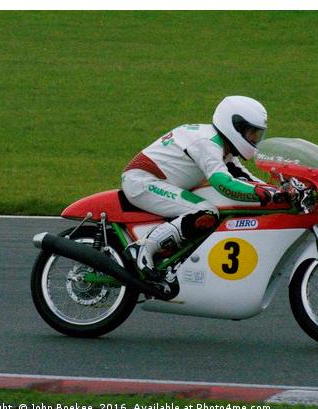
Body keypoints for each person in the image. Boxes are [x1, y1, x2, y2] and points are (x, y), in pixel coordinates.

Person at [121, 95, 296, 280]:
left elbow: (244, 177)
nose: (254, 138)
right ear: (235, 126)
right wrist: (265, 193)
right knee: (206, 211)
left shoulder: (222, 148)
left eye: (257, 133)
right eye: (251, 132)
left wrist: (277, 192)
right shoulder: (207, 143)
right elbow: (223, 183)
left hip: (156, 182)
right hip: (143, 182)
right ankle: (144, 247)